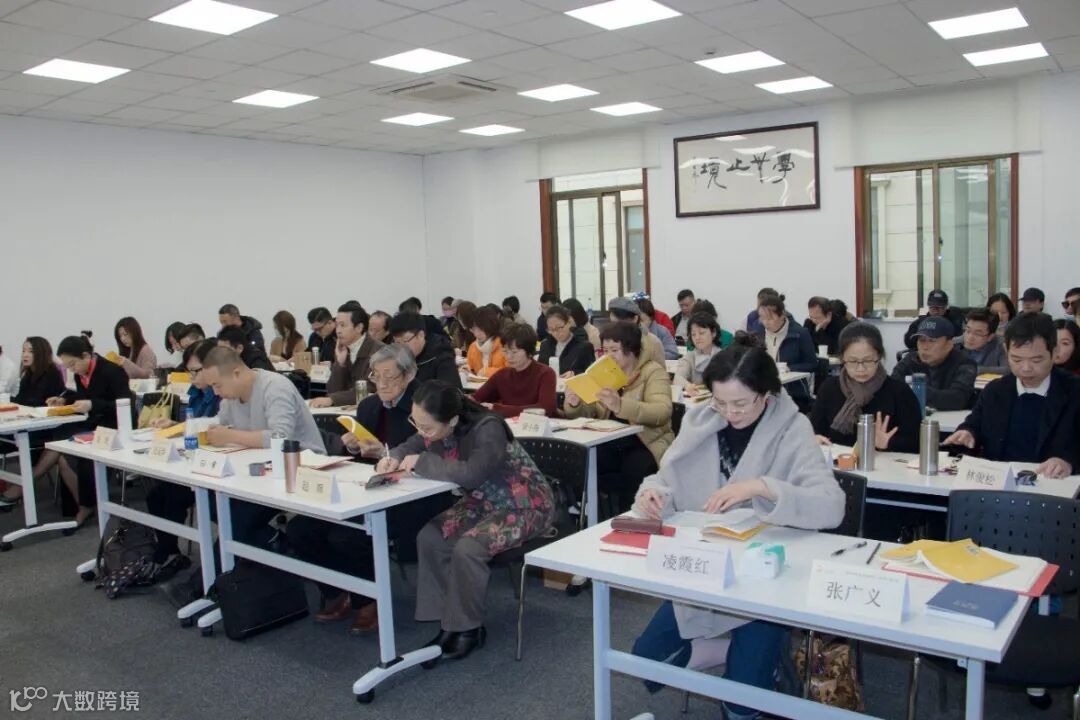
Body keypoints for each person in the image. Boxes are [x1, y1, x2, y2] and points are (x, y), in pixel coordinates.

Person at [630, 337, 845, 720]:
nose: (730, 413)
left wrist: (763, 487)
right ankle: (739, 657)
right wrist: (652, 496)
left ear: (766, 394)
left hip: (767, 580)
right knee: (646, 661)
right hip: (706, 568)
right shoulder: (700, 420)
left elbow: (831, 505)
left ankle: (754, 671)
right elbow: (664, 479)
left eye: (741, 403)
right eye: (720, 402)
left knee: (740, 704)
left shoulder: (792, 428)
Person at [378, 381, 554, 661]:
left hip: (524, 504)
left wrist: (421, 462)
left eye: (427, 427)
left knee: (469, 548)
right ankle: (448, 622)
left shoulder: (488, 428)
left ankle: (467, 629)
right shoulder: (436, 425)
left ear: (452, 420)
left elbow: (472, 474)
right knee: (431, 537)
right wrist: (393, 457)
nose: (421, 431)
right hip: (484, 502)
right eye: (416, 422)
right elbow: (413, 444)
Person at [288, 345, 451, 633]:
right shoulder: (368, 405)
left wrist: (384, 452)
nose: (382, 384)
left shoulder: (425, 406)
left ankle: (367, 601)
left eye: (390, 376)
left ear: (409, 375)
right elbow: (359, 459)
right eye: (376, 376)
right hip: (369, 489)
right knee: (300, 529)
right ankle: (338, 591)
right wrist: (351, 446)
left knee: (346, 535)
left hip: (415, 495)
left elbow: (430, 454)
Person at [200, 347, 325, 547]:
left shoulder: (275, 387)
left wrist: (230, 436)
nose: (216, 392)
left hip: (298, 469)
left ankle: (226, 564)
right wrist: (186, 427)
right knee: (209, 502)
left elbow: (281, 437)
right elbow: (219, 424)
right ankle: (271, 543)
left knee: (236, 518)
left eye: (217, 385)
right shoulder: (230, 398)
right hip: (257, 470)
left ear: (236, 373)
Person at [945, 312, 1080, 478]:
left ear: (1054, 352)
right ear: (1006, 350)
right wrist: (967, 433)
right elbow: (974, 425)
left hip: (1055, 487)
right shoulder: (995, 391)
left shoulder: (1074, 391)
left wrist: (1069, 462)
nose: (1026, 368)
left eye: (1036, 360)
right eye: (1016, 359)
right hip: (999, 484)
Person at [563, 322, 673, 513]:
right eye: (605, 351)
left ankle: (630, 518)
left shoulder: (653, 372)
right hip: (611, 439)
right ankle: (587, 514)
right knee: (581, 460)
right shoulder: (605, 373)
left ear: (631, 350)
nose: (608, 356)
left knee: (635, 468)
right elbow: (592, 411)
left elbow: (662, 412)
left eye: (614, 350)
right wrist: (575, 404)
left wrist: (620, 405)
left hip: (645, 441)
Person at [143, 339, 220, 570]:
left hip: (213, 466)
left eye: (196, 371)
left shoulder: (221, 394)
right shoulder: (196, 393)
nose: (192, 377)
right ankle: (169, 549)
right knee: (155, 495)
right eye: (189, 372)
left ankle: (165, 553)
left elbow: (212, 429)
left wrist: (186, 429)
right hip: (192, 460)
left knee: (173, 495)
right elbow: (195, 426)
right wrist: (174, 426)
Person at [38, 336, 133, 524]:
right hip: (94, 424)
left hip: (115, 427)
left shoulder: (112, 371)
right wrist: (65, 400)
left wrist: (92, 405)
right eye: (67, 366)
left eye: (73, 364)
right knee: (62, 448)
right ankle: (83, 505)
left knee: (72, 452)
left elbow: (125, 404)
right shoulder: (80, 373)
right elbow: (83, 397)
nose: (71, 370)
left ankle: (85, 505)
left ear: (85, 355)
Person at [811, 322, 921, 452]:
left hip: (884, 463)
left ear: (879, 356)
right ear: (842, 358)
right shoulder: (829, 388)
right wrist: (814, 438)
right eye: (853, 361)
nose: (861, 368)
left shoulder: (899, 392)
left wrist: (889, 443)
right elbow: (815, 431)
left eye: (868, 360)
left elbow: (917, 442)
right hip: (839, 462)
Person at [0, 338, 65, 508]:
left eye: (30, 351)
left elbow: (40, 403)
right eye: (23, 351)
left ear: (41, 353)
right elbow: (21, 400)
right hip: (27, 424)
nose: (25, 355)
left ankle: (21, 486)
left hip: (44, 427)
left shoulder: (52, 373)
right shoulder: (28, 374)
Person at [892, 317, 976, 411]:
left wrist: (917, 391)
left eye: (932, 341)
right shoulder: (911, 360)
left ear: (949, 344)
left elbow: (957, 399)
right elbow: (892, 388)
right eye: (921, 340)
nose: (925, 347)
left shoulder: (964, 363)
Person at [473, 324, 556, 418]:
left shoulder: (545, 373)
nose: (509, 357)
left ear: (529, 351)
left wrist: (498, 409)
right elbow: (476, 398)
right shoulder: (502, 375)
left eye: (514, 352)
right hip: (509, 425)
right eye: (505, 351)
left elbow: (545, 409)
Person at [311, 301, 384, 408]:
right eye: (337, 325)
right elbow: (333, 391)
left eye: (343, 325)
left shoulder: (379, 351)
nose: (338, 331)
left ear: (359, 327)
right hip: (344, 410)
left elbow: (368, 388)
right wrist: (339, 365)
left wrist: (332, 399)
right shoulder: (343, 348)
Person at [755, 293, 817, 412]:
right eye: (762, 318)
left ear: (782, 315)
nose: (765, 322)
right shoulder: (758, 333)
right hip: (764, 392)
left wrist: (789, 368)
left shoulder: (799, 333)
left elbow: (812, 364)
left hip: (793, 393)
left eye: (770, 318)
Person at [389, 312, 461, 388]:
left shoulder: (442, 356)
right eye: (397, 343)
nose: (402, 348)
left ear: (421, 335)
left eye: (405, 341)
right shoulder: (397, 358)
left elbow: (450, 391)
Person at [608, 296, 665, 368]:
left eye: (622, 323)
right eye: (614, 324)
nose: (618, 329)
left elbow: (660, 371)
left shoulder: (652, 342)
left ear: (635, 319)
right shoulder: (609, 340)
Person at [537, 304, 593, 377]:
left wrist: (575, 374)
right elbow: (539, 371)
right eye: (551, 329)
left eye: (559, 328)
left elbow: (591, 374)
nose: (556, 333)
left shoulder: (584, 347)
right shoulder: (545, 345)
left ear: (569, 322)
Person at [673, 312, 724, 388]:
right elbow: (678, 378)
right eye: (693, 334)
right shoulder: (690, 356)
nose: (697, 338)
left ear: (713, 333)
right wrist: (687, 385)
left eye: (701, 333)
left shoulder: (723, 357)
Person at [956, 308, 1007, 374]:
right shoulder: (955, 343)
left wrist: (976, 370)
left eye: (977, 334)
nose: (970, 337)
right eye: (968, 331)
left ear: (990, 337)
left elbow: (1007, 369)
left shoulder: (1002, 345)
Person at [465, 306, 507, 378]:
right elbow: (471, 368)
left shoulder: (505, 345)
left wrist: (487, 372)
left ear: (491, 326)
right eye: (474, 329)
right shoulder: (473, 347)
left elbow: (512, 372)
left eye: (481, 329)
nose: (477, 334)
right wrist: (467, 370)